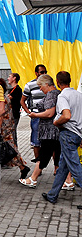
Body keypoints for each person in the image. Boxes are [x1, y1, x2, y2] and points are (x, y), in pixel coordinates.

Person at [42, 71, 82, 204]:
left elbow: (66, 115)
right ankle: (52, 195)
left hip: (68, 134)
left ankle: (52, 195)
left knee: (76, 168)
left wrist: (56, 122)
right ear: (70, 80)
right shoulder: (78, 95)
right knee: (63, 167)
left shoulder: (63, 96)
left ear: (58, 83)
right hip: (77, 134)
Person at [19, 74, 60, 188]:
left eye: (41, 86)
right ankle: (67, 180)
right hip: (54, 130)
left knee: (44, 155)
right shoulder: (57, 93)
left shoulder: (51, 95)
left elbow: (49, 113)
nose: (40, 89)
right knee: (58, 155)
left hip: (49, 131)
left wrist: (35, 115)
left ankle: (33, 178)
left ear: (47, 84)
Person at [0, 78, 30, 180]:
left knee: (10, 149)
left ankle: (22, 166)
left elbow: (1, 114)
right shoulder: (6, 97)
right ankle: (21, 167)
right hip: (9, 125)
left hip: (4, 127)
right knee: (10, 148)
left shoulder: (3, 99)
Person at [21, 64, 47, 162]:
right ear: (36, 73)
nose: (44, 74)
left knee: (53, 141)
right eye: (42, 72)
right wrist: (29, 113)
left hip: (48, 115)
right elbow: (22, 101)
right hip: (36, 116)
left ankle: (55, 167)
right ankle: (38, 164)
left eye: (45, 72)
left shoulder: (49, 83)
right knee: (36, 141)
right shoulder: (30, 85)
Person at [7, 73, 22, 146]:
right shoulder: (11, 90)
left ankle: (14, 149)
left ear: (14, 78)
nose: (8, 78)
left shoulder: (18, 90)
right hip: (10, 114)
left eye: (9, 76)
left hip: (14, 114)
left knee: (12, 132)